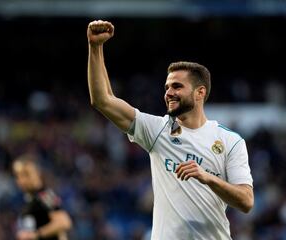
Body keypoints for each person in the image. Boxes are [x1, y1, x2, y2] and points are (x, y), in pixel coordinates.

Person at [87, 20, 254, 239]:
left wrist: (208, 178)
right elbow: (103, 100)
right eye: (167, 87)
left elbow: (246, 201)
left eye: (177, 86)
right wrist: (95, 47)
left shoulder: (230, 141)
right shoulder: (158, 131)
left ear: (200, 92)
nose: (169, 92)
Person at [12, 154, 72, 240]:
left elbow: (64, 222)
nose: (22, 179)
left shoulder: (45, 195)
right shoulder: (28, 200)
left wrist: (36, 234)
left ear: (38, 173)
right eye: (18, 175)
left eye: (27, 174)